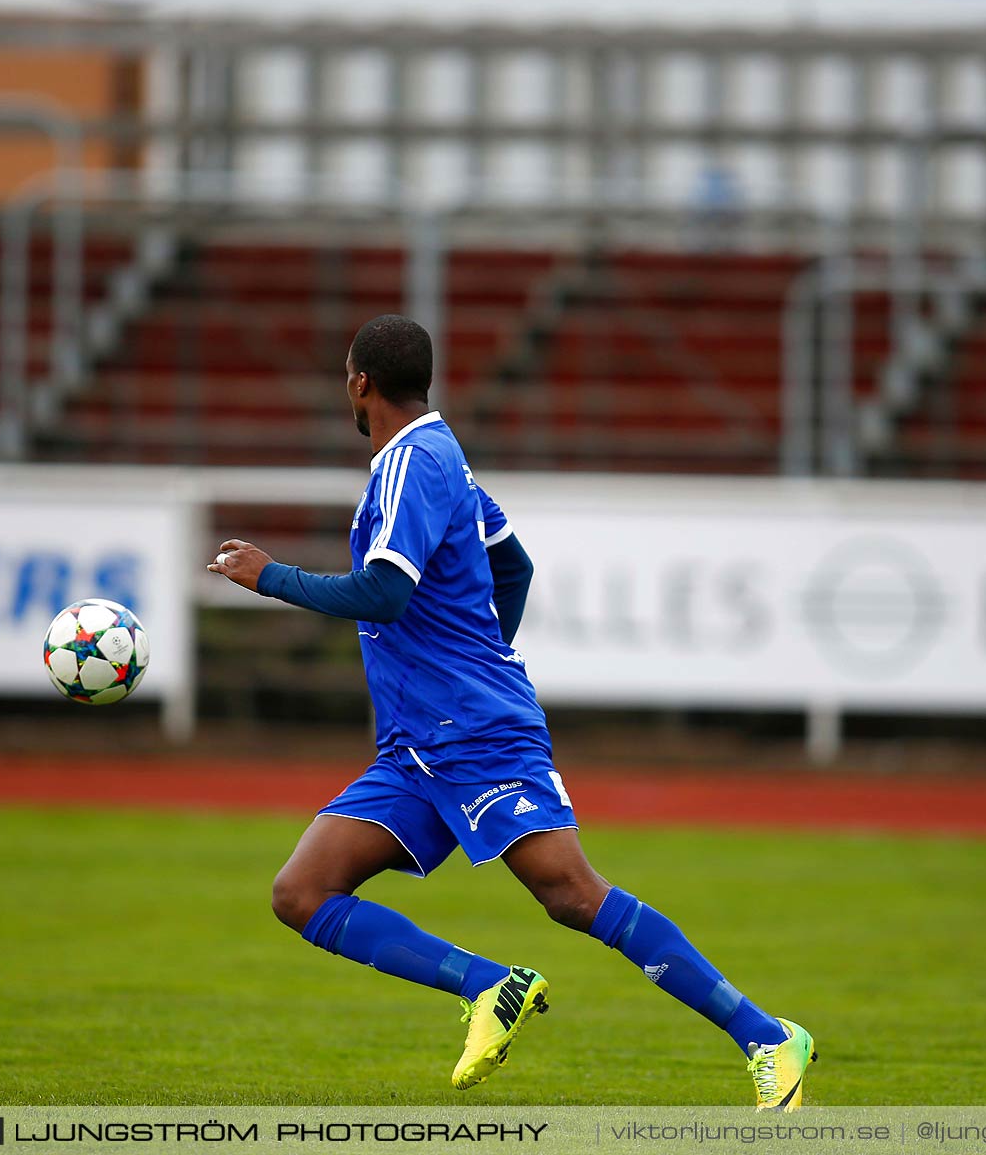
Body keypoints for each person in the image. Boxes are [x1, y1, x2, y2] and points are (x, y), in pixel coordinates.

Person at [207, 314, 815, 1109]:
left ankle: (769, 1036)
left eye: (345, 377)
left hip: (476, 733)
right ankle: (490, 986)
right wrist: (474, 652)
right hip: (417, 747)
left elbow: (387, 592)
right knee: (301, 893)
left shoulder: (409, 466)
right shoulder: (443, 459)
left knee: (571, 893)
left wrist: (270, 577)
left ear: (360, 382)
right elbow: (512, 566)